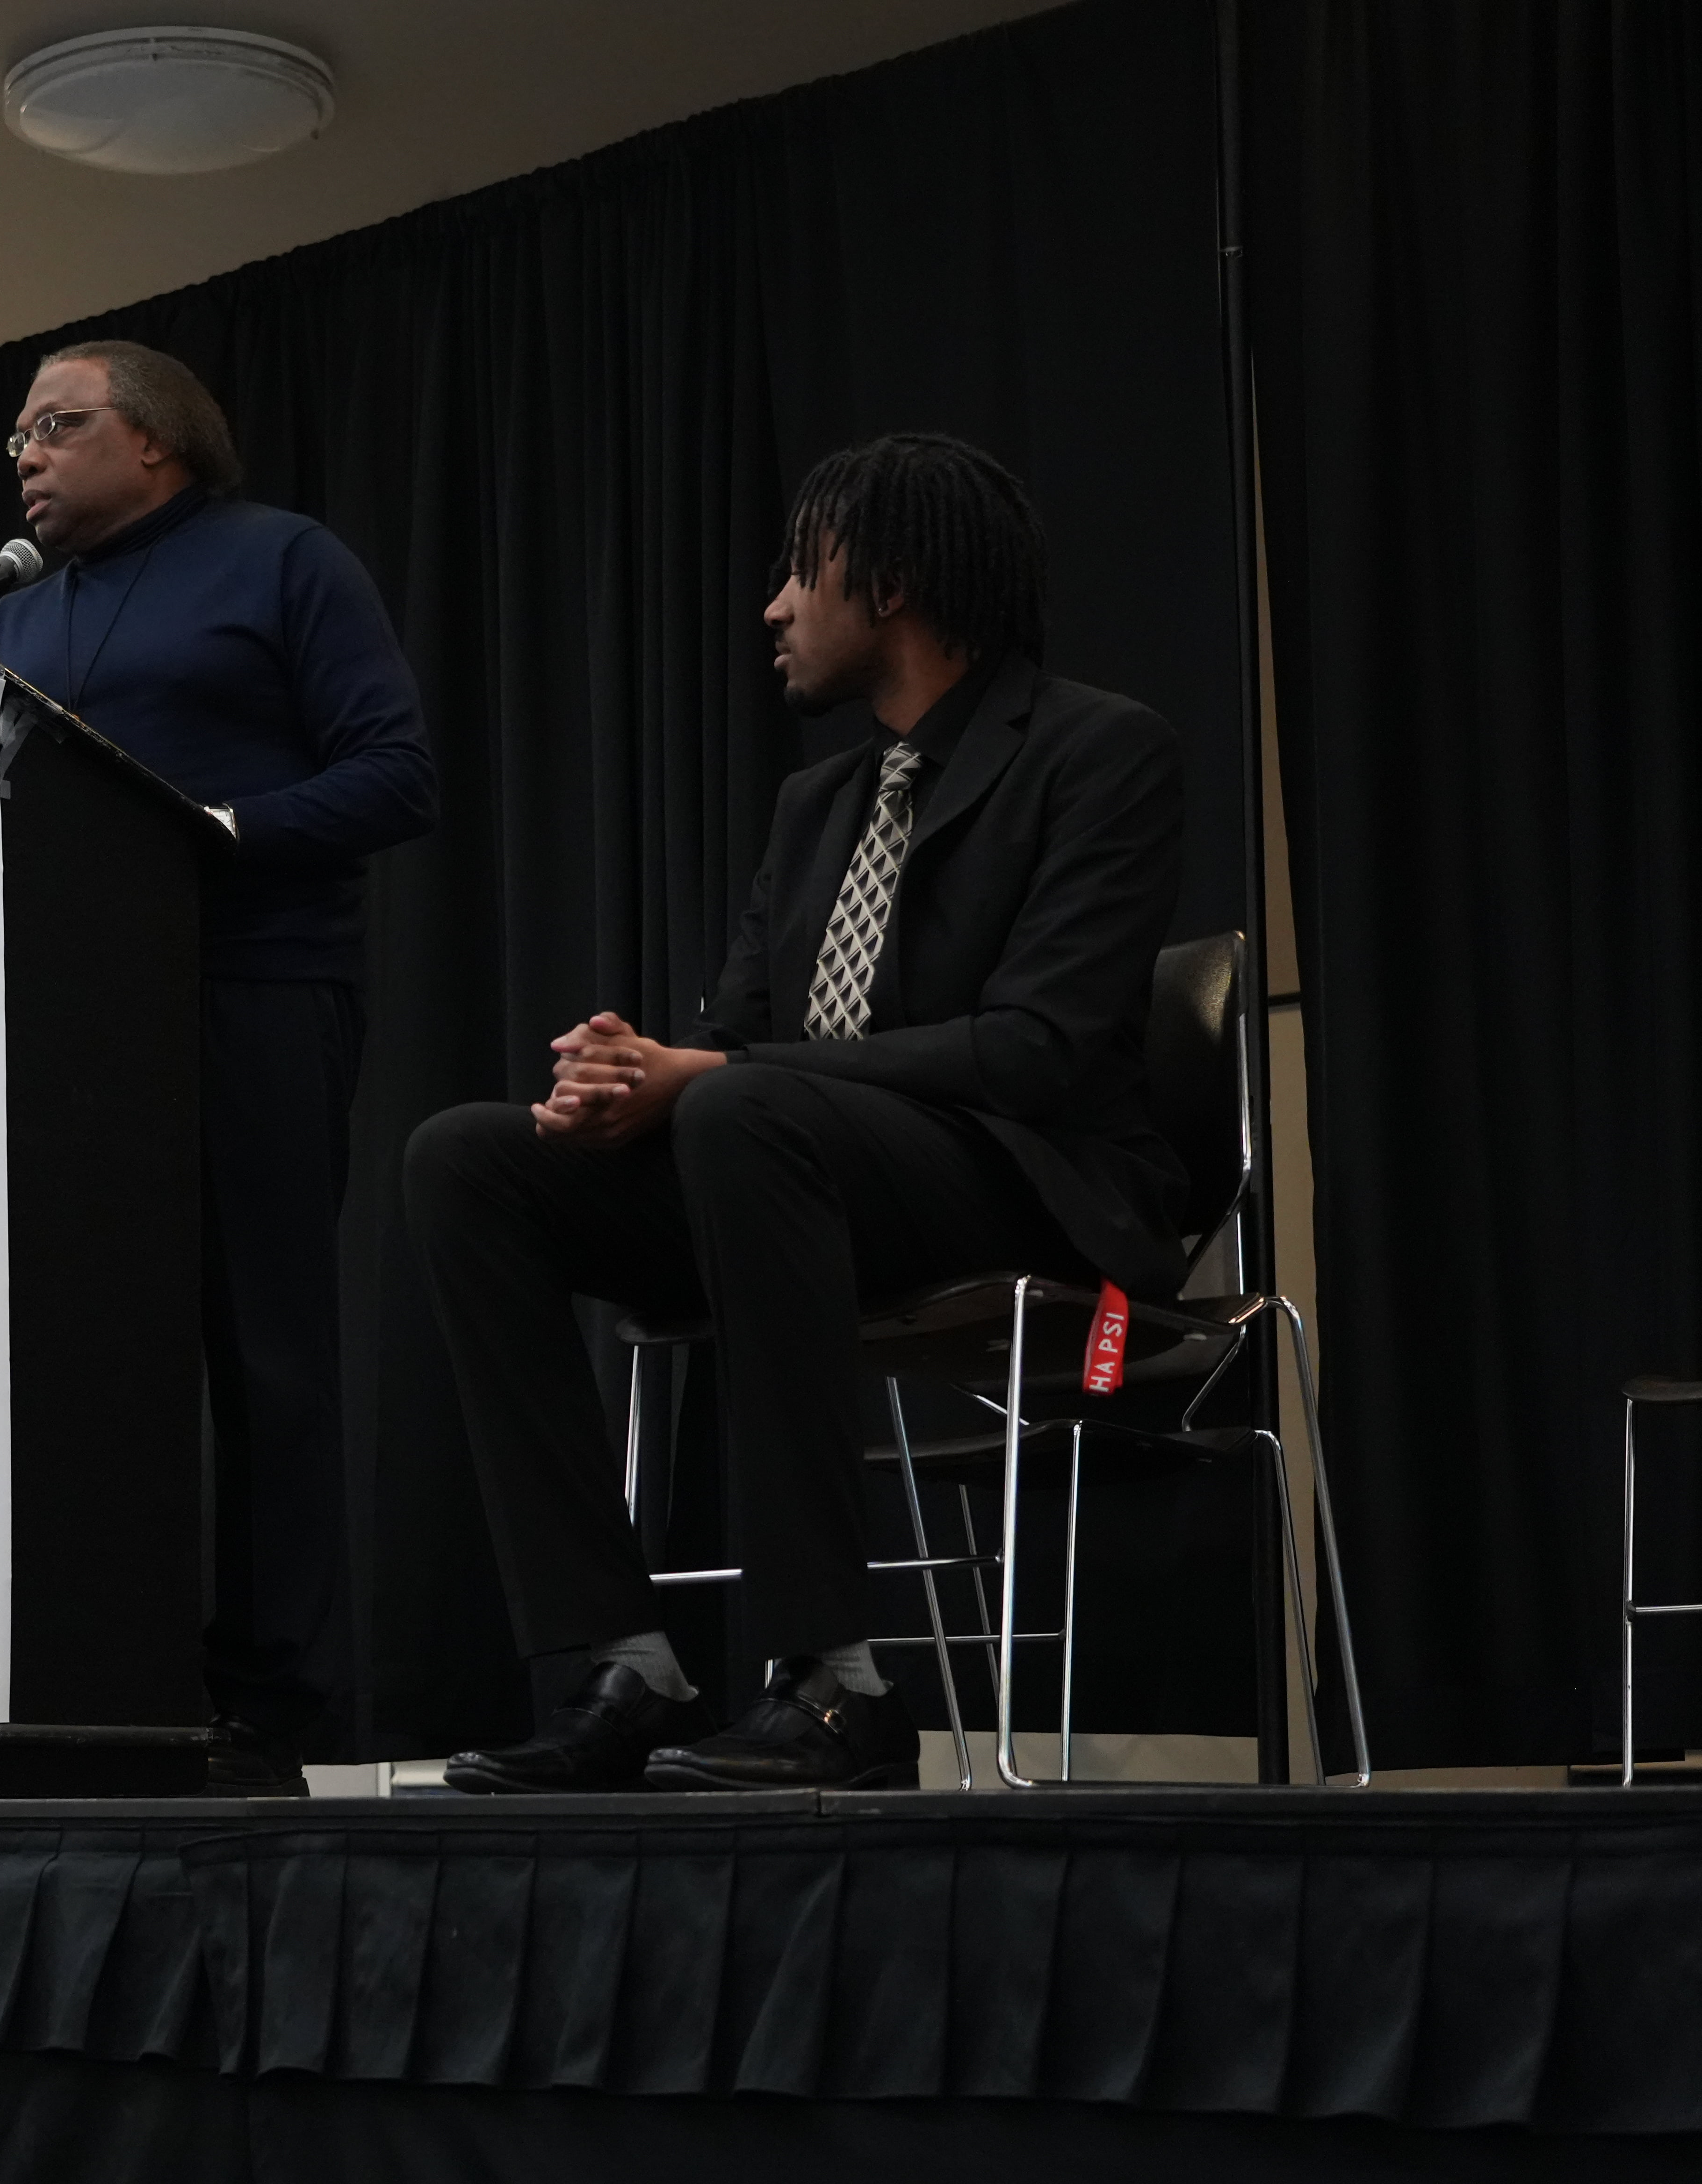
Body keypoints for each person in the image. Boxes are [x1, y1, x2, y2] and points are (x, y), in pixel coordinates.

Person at [406, 432, 1188, 1794]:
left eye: (797, 574)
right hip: (784, 1175)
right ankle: (623, 1663)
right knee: (469, 1157)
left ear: (887, 586)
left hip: (1024, 1186)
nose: (770, 607)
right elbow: (741, 1041)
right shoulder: (817, 802)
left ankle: (837, 1681)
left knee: (742, 1113)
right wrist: (630, 1075)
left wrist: (710, 1079)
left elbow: (1041, 1050)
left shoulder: (1098, 750)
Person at [0, 340, 438, 1793]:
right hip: (71, 1024)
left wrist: (216, 836)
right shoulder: (17, 615)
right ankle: (92, 1693)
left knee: (265, 1359)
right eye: (17, 436)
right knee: (78, 1364)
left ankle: (268, 1709)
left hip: (257, 994)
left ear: (157, 440)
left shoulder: (283, 561)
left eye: (57, 425)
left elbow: (396, 774)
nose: (25, 454)